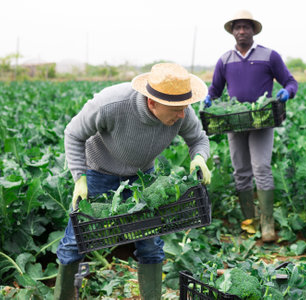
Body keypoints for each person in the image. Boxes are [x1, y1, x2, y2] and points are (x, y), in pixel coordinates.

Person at [54, 62, 211, 300]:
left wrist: (199, 158)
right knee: (75, 242)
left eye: (185, 107)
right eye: (177, 109)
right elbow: (73, 134)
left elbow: (198, 138)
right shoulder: (111, 104)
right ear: (152, 102)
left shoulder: (181, 111)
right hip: (98, 172)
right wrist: (80, 179)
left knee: (150, 245)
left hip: (141, 178)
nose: (183, 114)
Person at [203, 10, 298, 242]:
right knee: (240, 170)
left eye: (246, 27)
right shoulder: (225, 60)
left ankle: (267, 223)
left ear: (254, 30)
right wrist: (208, 98)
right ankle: (249, 219)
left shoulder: (269, 56)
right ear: (233, 31)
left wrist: (287, 92)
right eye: (238, 27)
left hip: (262, 120)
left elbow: (290, 81)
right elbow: (215, 90)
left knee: (262, 167)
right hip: (235, 121)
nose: (242, 31)